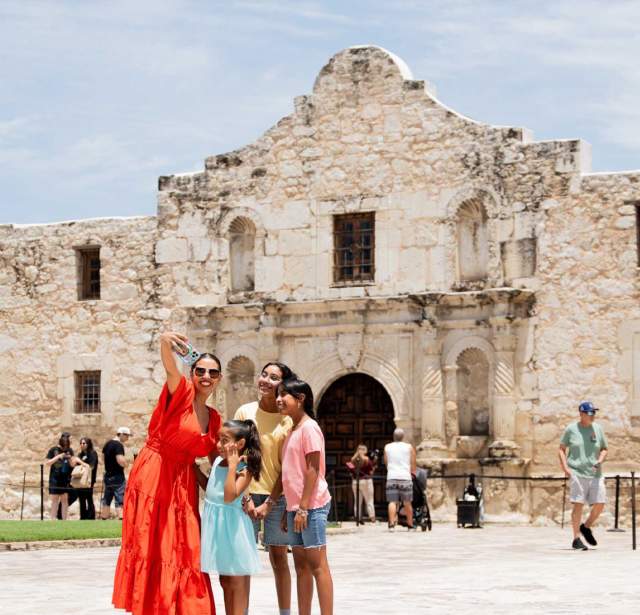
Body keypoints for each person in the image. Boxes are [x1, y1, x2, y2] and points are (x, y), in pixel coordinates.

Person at [112, 332, 222, 615]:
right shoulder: (182, 390)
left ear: (219, 379)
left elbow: (219, 463)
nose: (206, 376)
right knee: (155, 544)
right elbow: (170, 367)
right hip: (155, 472)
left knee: (186, 546)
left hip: (183, 482)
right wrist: (164, 342)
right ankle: (154, 607)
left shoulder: (216, 418)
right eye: (201, 370)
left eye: (213, 372)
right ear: (193, 372)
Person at [234, 362, 294, 615]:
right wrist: (245, 496)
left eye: (273, 377)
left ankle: (284, 613)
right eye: (264, 374)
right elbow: (235, 456)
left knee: (279, 558)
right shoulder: (244, 412)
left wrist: (271, 501)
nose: (265, 380)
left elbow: (287, 466)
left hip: (276, 496)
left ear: (282, 384)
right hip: (244, 495)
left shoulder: (288, 419)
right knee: (244, 560)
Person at [278, 378, 333, 615]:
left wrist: (302, 508)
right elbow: (291, 472)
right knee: (300, 566)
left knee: (318, 565)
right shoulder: (292, 429)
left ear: (300, 400)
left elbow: (313, 469)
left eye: (284, 395)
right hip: (295, 508)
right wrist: (288, 508)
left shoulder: (309, 428)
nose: (278, 399)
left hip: (311, 507)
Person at [199, 420, 263, 615]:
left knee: (235, 579)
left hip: (233, 531)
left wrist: (233, 466)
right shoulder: (218, 461)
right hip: (216, 530)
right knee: (224, 580)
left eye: (224, 440)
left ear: (240, 444)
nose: (218, 445)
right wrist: (192, 468)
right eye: (219, 439)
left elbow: (228, 497)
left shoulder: (245, 469)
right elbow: (210, 489)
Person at [559, 401, 608, 550]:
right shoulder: (571, 429)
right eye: (590, 413)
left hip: (595, 473)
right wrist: (565, 468)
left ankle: (585, 527)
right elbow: (561, 449)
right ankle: (576, 539)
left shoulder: (598, 429)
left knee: (600, 503)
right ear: (582, 414)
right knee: (578, 504)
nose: (593, 416)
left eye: (594, 413)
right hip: (577, 472)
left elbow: (604, 448)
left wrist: (600, 460)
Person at [384, 428, 416, 531]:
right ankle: (410, 525)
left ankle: (392, 525)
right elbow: (413, 462)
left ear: (393, 437)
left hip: (392, 476)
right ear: (403, 437)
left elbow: (386, 462)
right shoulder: (409, 447)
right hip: (405, 477)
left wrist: (391, 470)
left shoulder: (387, 447)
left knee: (392, 502)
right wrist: (412, 473)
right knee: (407, 502)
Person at [101, 426, 130, 520]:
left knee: (107, 498)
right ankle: (121, 518)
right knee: (120, 498)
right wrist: (126, 464)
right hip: (117, 476)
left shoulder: (107, 443)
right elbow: (120, 460)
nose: (127, 438)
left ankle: (104, 518)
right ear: (121, 434)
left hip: (108, 475)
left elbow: (102, 458)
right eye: (127, 436)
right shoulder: (118, 445)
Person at [44, 432, 74, 520]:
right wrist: (59, 457)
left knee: (65, 500)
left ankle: (64, 521)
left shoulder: (69, 450)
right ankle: (53, 520)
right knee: (55, 500)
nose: (67, 446)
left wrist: (69, 458)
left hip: (65, 479)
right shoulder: (53, 450)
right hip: (54, 478)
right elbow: (47, 463)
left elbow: (72, 465)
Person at [346, 444, 376, 523]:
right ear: (365, 451)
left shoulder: (352, 460)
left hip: (355, 481)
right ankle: (372, 518)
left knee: (357, 501)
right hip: (366, 481)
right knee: (369, 500)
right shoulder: (367, 459)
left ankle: (357, 518)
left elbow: (351, 471)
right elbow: (371, 471)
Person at [73, 437, 99, 519]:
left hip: (89, 480)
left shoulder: (92, 453)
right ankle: (83, 517)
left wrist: (80, 461)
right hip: (80, 480)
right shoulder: (80, 455)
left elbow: (91, 466)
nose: (82, 445)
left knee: (89, 498)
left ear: (88, 444)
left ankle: (91, 517)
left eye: (84, 443)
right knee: (81, 499)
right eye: (80, 443)